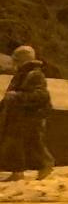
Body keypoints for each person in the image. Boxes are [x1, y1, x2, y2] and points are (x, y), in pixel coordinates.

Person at [0, 45, 55, 181]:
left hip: (31, 117)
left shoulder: (34, 75)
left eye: (16, 61)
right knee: (14, 145)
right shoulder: (21, 75)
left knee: (33, 144)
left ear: (23, 61)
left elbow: (41, 95)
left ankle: (45, 166)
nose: (13, 65)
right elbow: (10, 96)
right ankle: (17, 172)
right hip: (18, 116)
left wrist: (17, 97)